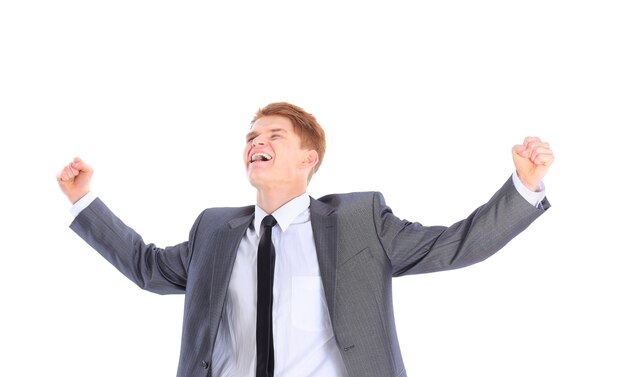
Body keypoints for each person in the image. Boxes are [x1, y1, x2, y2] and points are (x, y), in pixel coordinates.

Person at [57, 102, 553, 377]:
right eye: (251, 137)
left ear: (307, 159)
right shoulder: (214, 230)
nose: (257, 143)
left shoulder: (360, 220)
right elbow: (148, 268)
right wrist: (83, 199)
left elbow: (455, 245)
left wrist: (524, 186)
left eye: (273, 136)